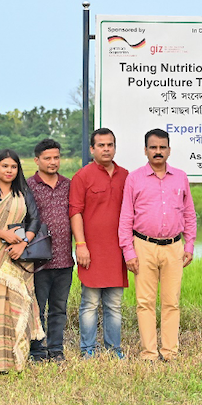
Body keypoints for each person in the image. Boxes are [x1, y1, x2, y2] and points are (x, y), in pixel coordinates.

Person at [119, 129, 197, 361]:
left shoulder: (181, 177)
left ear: (169, 150)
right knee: (145, 303)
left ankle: (170, 352)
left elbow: (190, 214)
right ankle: (149, 353)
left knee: (171, 302)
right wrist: (128, 250)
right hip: (143, 246)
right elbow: (126, 217)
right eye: (153, 147)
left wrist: (189, 245)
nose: (158, 152)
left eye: (162, 147)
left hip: (174, 247)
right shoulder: (134, 178)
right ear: (145, 151)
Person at [0, 149, 45, 373]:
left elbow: (35, 221)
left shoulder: (24, 193)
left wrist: (23, 243)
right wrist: (3, 234)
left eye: (13, 167)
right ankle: (0, 364)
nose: (9, 170)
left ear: (18, 169)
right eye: (5, 166)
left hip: (20, 258)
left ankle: (20, 360)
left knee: (21, 304)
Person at [69, 128, 129, 358]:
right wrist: (81, 244)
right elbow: (75, 212)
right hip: (91, 250)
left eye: (110, 145)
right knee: (90, 303)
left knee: (114, 304)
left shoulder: (126, 176)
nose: (106, 149)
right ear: (92, 149)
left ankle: (114, 349)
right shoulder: (82, 177)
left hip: (117, 251)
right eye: (101, 145)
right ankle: (88, 350)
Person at [27, 139, 73, 363]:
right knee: (37, 308)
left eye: (56, 157)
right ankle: (37, 350)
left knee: (59, 308)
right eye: (47, 158)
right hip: (38, 261)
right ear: (37, 160)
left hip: (65, 259)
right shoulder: (27, 186)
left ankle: (56, 349)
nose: (53, 162)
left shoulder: (68, 184)